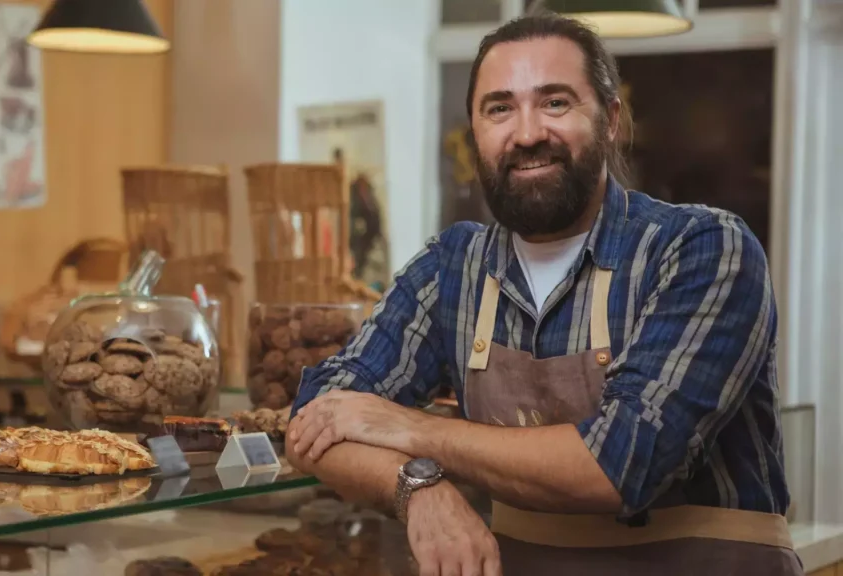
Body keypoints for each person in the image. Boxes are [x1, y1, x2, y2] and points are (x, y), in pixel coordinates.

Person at [286, 13, 801, 576]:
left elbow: (623, 462)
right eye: (499, 108)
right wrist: (418, 487)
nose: (527, 133)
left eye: (555, 102)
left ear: (609, 120)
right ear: (475, 132)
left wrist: (408, 428)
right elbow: (315, 421)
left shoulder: (702, 248)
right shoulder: (452, 268)